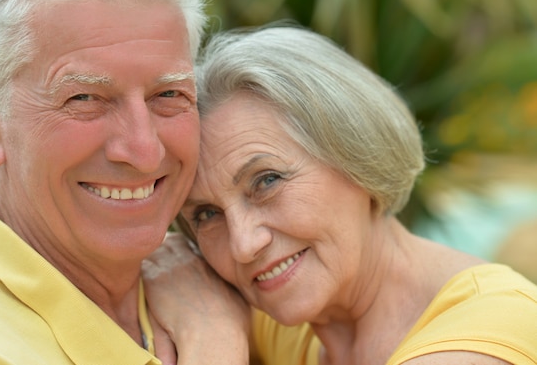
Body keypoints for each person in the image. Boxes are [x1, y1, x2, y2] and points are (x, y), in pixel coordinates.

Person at [0, 0, 251, 363]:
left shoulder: (234, 274)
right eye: (85, 97)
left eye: (168, 94)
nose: (144, 152)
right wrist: (216, 344)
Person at [142, 24, 537, 365]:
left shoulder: (488, 333)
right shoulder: (298, 320)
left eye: (266, 181)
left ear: (359, 155)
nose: (243, 245)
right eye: (207, 215)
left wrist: (213, 339)